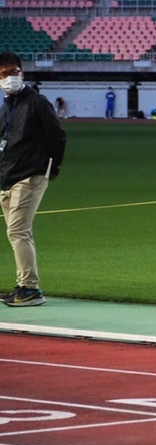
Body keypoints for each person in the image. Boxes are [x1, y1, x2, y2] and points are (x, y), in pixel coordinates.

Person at [0, 52, 66, 307]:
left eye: (13, 72)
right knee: (18, 232)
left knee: (17, 230)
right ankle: (23, 285)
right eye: (3, 74)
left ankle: (31, 289)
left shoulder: (37, 102)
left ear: (22, 73)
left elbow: (57, 137)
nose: (9, 78)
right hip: (8, 176)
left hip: (30, 175)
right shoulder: (6, 108)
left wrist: (53, 168)